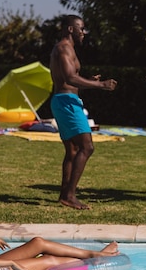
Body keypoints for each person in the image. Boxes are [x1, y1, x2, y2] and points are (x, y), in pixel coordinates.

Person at [50, 15, 118, 210]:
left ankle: (65, 195)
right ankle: (70, 195)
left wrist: (87, 79)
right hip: (67, 103)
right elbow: (70, 78)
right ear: (70, 29)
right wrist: (100, 84)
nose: (84, 32)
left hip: (65, 101)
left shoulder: (66, 49)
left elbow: (70, 78)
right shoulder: (64, 48)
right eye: (81, 28)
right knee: (87, 147)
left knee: (72, 150)